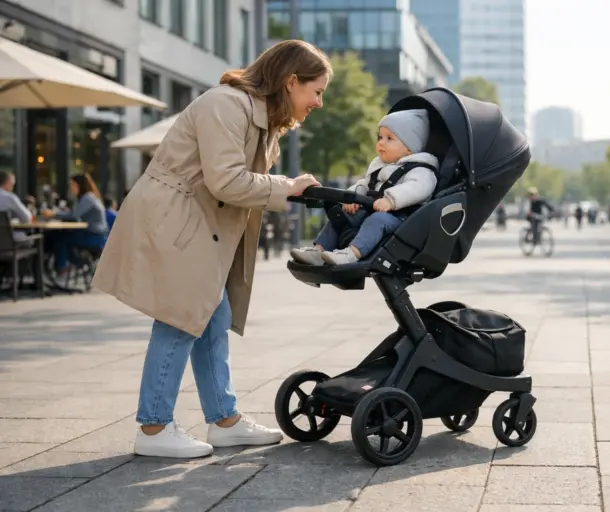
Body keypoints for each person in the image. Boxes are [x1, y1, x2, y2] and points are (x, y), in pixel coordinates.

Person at [91, 40, 329, 459]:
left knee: (212, 315)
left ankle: (225, 420)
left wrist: (288, 189)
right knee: (180, 317)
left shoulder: (259, 118)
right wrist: (285, 188)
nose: (319, 103)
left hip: (196, 222)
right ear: (292, 82)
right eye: (317, 90)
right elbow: (225, 180)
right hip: (178, 219)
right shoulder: (227, 105)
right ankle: (153, 426)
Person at [290, 109, 438, 266]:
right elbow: (364, 184)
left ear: (410, 148)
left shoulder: (421, 170)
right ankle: (318, 251)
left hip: (401, 219)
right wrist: (350, 196)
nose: (381, 142)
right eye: (380, 137)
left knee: (377, 220)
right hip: (371, 212)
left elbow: (416, 189)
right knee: (339, 216)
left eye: (390, 138)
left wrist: (391, 200)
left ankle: (351, 254)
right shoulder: (379, 165)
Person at [40, 174, 109, 276]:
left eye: (72, 184)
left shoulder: (87, 198)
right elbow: (75, 214)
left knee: (61, 239)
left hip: (95, 237)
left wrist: (53, 214)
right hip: (93, 234)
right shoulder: (86, 197)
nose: (70, 187)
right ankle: (74, 265)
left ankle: (63, 268)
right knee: (58, 237)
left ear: (79, 185)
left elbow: (74, 215)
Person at [0, 171, 33, 243]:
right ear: (8, 183)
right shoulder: (9, 197)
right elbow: (27, 218)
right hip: (9, 242)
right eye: (13, 184)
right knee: (34, 239)